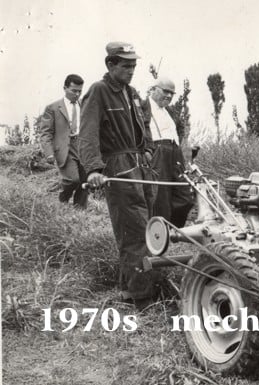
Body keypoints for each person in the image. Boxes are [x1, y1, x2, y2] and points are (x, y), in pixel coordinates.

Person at [78, 42, 158, 309]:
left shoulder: (132, 93)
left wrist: (147, 150)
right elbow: (87, 134)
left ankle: (128, 290)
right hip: (118, 166)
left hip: (140, 166)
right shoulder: (98, 92)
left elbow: (144, 126)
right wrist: (93, 169)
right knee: (134, 232)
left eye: (134, 65)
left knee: (144, 227)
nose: (131, 70)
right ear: (110, 65)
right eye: (125, 65)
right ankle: (144, 300)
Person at [141, 77, 194, 227]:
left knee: (185, 195)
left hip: (175, 152)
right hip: (157, 151)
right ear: (154, 89)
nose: (169, 96)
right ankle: (160, 233)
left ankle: (175, 229)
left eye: (172, 93)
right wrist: (147, 150)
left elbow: (180, 128)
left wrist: (180, 145)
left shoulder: (170, 110)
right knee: (161, 195)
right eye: (166, 91)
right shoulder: (143, 107)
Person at [40, 74, 89, 208]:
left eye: (80, 91)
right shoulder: (53, 108)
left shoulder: (85, 105)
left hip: (84, 146)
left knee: (85, 182)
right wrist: (49, 153)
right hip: (65, 149)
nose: (77, 94)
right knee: (73, 179)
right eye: (74, 90)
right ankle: (62, 199)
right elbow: (46, 132)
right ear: (65, 88)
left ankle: (80, 210)